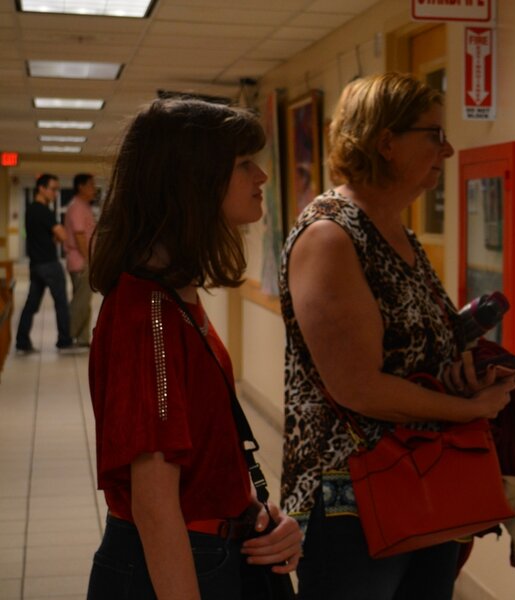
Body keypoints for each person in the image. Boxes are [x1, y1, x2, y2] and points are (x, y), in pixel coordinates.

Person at [280, 72, 515, 600]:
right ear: (385, 142)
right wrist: (471, 410)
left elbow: (410, 356)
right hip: (354, 498)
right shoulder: (331, 235)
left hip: (421, 480)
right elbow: (358, 387)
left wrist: (461, 376)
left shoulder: (397, 231)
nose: (448, 149)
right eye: (433, 134)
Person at [85, 98, 303, 599]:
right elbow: (156, 505)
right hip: (179, 565)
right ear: (193, 181)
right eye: (243, 164)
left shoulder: (172, 299)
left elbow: (199, 464)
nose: (262, 175)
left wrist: (253, 512)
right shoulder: (151, 315)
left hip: (213, 549)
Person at [14, 173, 77, 354]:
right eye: (53, 189)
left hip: (35, 265)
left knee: (31, 305)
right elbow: (62, 236)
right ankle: (64, 341)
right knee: (61, 304)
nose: (56, 193)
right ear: (41, 188)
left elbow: (46, 236)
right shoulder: (44, 211)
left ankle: (22, 342)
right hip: (49, 264)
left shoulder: (31, 210)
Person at [63, 172, 97, 347]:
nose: (94, 189)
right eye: (91, 185)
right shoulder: (76, 206)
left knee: (85, 302)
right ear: (81, 186)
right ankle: (67, 335)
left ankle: (83, 338)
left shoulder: (84, 206)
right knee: (80, 302)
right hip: (80, 261)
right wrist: (88, 259)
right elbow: (79, 236)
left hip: (84, 260)